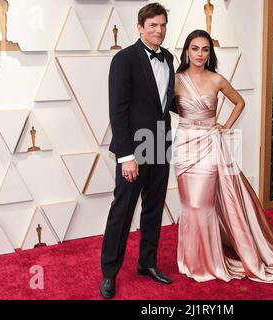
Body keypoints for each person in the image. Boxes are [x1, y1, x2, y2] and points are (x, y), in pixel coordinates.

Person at [173, 30, 273, 283]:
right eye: (194, 48)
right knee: (190, 205)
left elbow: (239, 102)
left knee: (204, 204)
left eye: (204, 49)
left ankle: (208, 261)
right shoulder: (176, 80)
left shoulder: (217, 79)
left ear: (210, 53)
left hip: (210, 145)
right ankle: (190, 259)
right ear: (186, 51)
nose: (199, 54)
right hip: (185, 145)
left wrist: (225, 126)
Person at [100, 3, 177, 299]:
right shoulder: (124, 59)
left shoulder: (168, 58)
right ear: (140, 26)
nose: (159, 30)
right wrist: (126, 156)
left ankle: (147, 263)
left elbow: (165, 103)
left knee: (154, 208)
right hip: (135, 148)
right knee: (122, 211)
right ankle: (109, 272)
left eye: (163, 25)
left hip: (161, 143)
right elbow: (117, 111)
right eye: (153, 25)